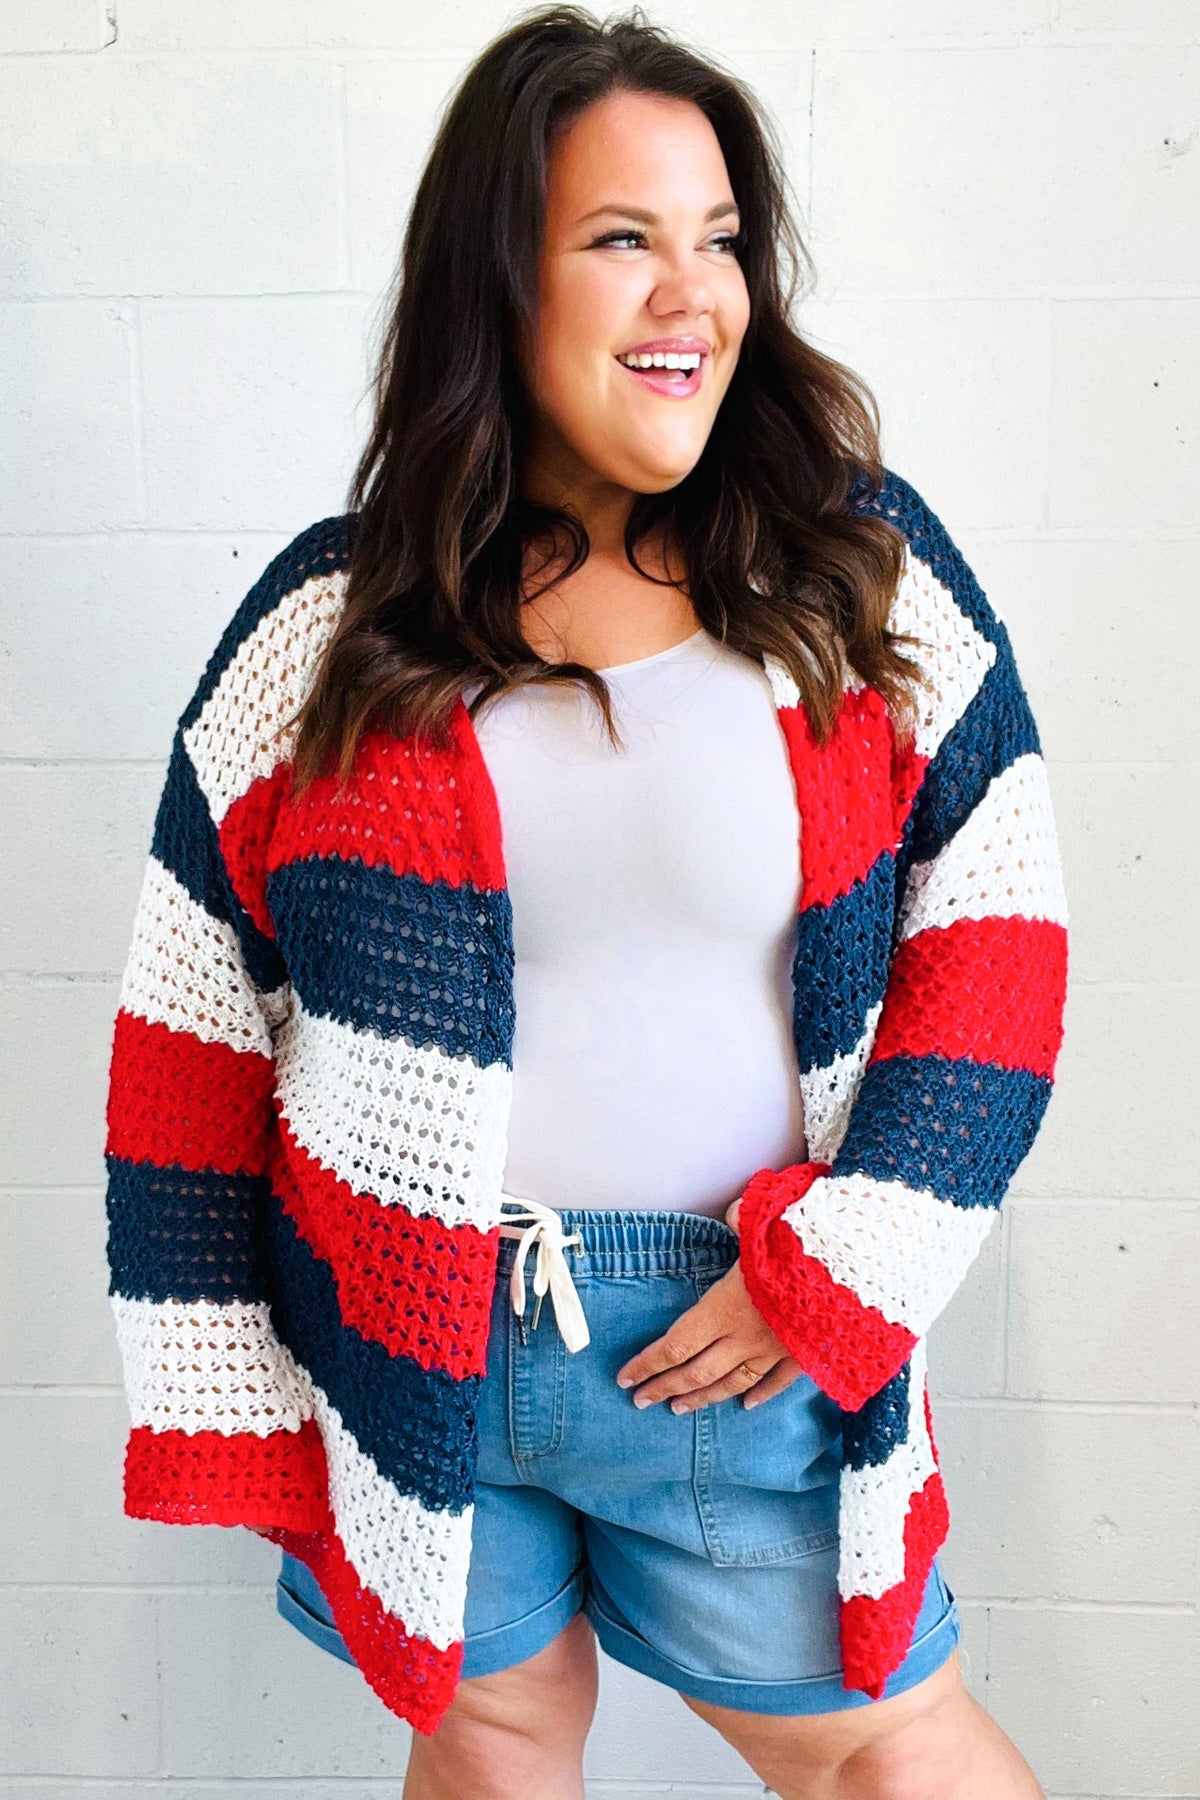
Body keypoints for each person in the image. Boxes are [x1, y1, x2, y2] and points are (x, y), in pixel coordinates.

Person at [102, 8, 1068, 1797]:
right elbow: (186, 1024)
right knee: (497, 1730)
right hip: (413, 1348)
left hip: (747, 1330)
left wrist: (848, 1273)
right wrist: (223, 1380)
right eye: (623, 240)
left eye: (717, 244)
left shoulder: (857, 571)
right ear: (498, 281)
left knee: (885, 1748)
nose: (688, 294)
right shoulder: (332, 628)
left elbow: (1000, 956)